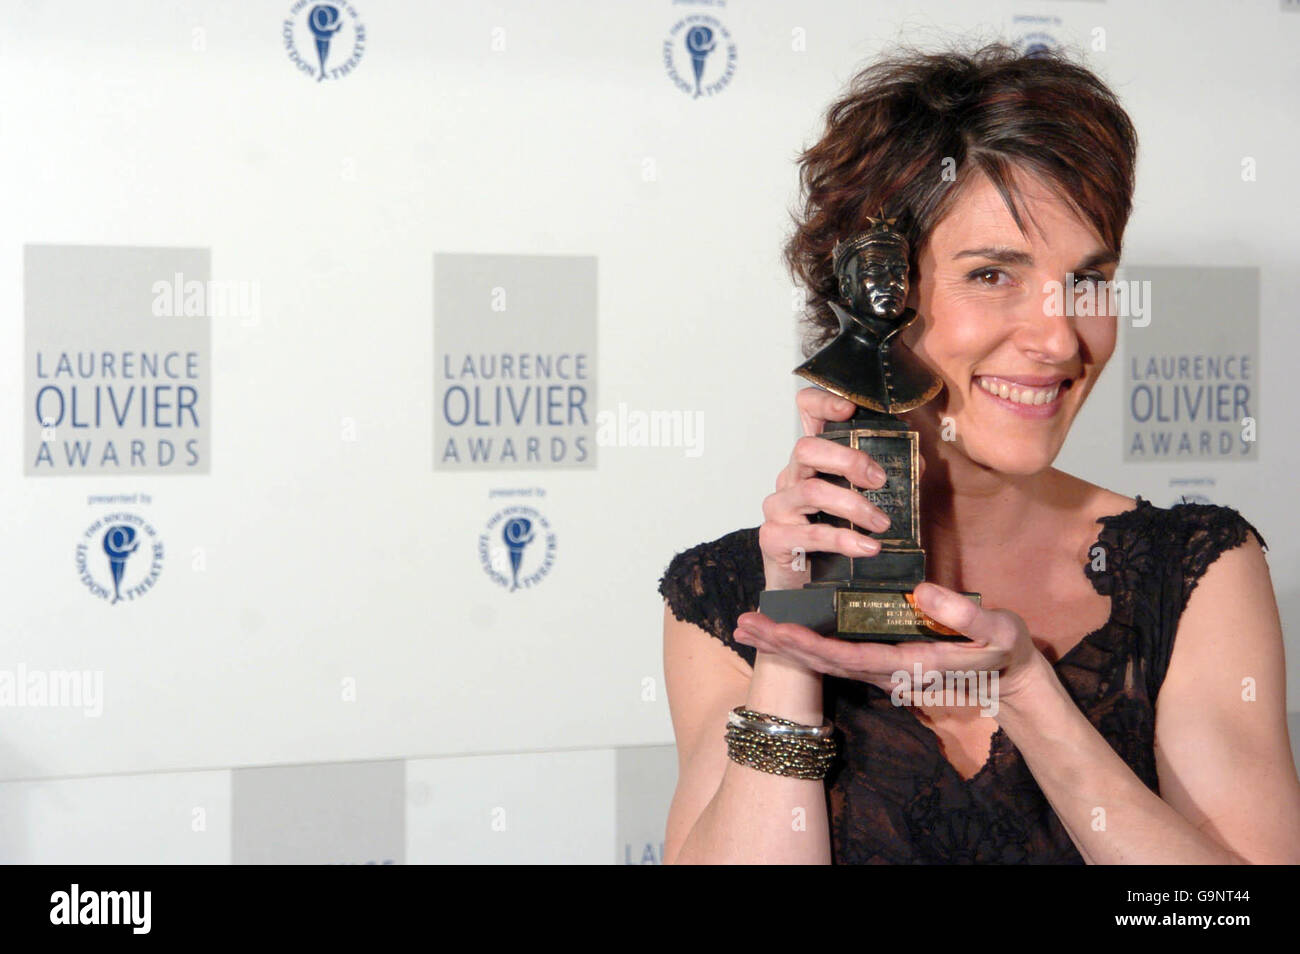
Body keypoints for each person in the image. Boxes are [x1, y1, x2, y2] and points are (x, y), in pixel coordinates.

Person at [658, 42, 1300, 864]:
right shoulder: (726, 595)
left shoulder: (1191, 570)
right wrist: (791, 636)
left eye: (1088, 280)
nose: (1060, 335)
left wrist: (1031, 692)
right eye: (993, 275)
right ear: (874, 290)